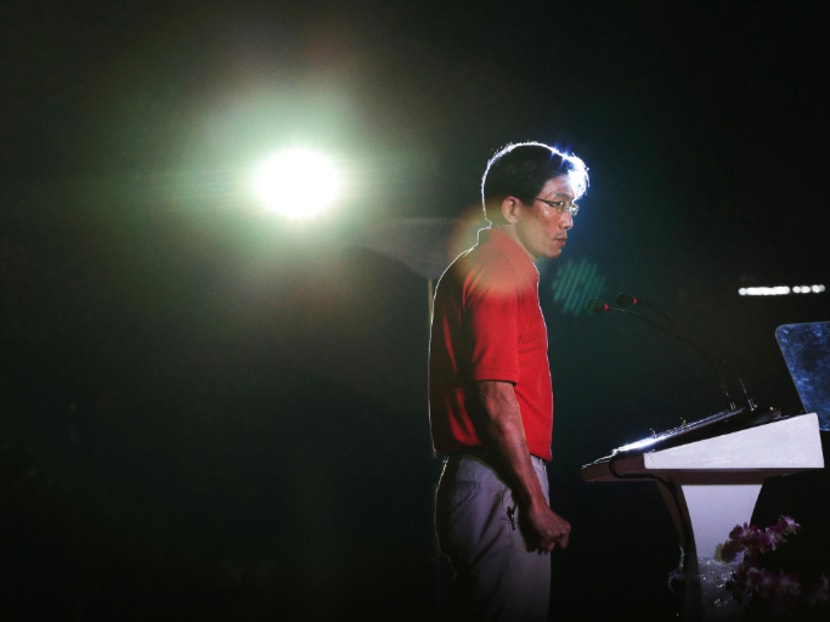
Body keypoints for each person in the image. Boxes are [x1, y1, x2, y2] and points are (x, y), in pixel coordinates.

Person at [428, 140, 590, 622]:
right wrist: (534, 502)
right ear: (512, 208)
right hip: (500, 482)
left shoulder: (497, 267)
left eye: (572, 206)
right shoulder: (500, 268)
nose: (568, 219)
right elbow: (495, 397)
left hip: (490, 481)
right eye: (557, 203)